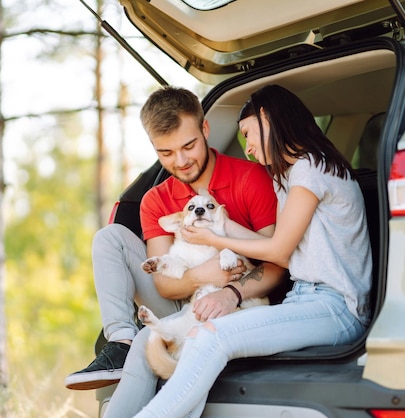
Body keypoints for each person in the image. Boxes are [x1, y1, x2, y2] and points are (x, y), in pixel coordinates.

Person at [129, 84, 373, 417]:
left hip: (334, 306)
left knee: (210, 337)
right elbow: (268, 247)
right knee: (203, 340)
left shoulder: (310, 168)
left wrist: (215, 241)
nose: (249, 150)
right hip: (306, 300)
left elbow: (280, 251)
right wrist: (219, 223)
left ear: (265, 119)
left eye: (248, 135)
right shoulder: (293, 175)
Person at [64, 86, 286, 391]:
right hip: (179, 298)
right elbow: (165, 284)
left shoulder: (250, 178)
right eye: (165, 153)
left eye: (189, 146)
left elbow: (277, 263)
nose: (180, 161)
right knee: (109, 237)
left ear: (205, 129)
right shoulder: (155, 200)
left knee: (149, 341)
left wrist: (230, 290)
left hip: (240, 299)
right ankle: (120, 342)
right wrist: (202, 276)